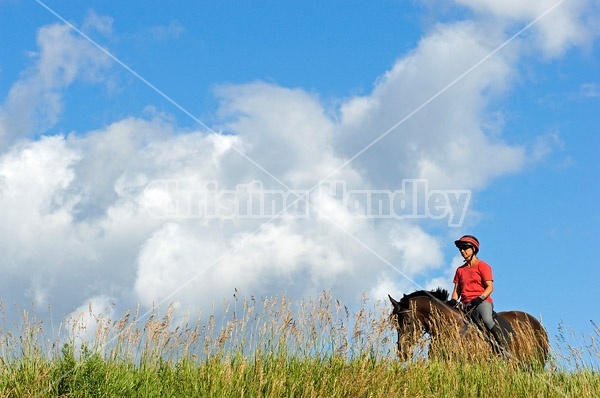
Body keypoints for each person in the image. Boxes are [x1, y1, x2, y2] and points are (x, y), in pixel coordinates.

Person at [447, 235, 507, 353]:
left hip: (482, 302)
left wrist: (480, 298)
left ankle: (502, 346)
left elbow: (490, 288)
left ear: (473, 249)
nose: (462, 251)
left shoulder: (483, 266)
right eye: (461, 249)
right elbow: (456, 291)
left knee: (487, 320)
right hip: (465, 304)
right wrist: (453, 301)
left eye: (465, 248)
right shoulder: (460, 270)